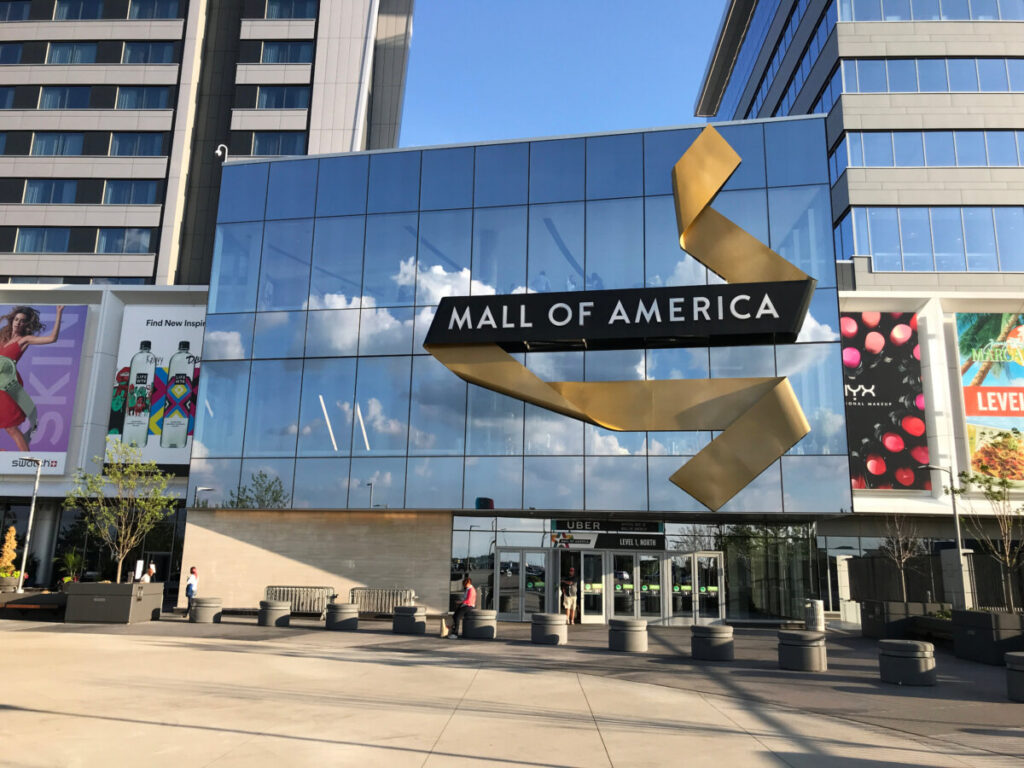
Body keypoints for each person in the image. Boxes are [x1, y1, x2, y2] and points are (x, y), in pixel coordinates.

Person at [0, 305, 64, 451]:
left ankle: (26, 459)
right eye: (16, 319)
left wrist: (59, 313)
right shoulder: (3, 334)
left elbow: (52, 338)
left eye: (22, 321)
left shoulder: (24, 340)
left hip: (6, 384)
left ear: (26, 324)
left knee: (10, 427)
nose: (18, 323)